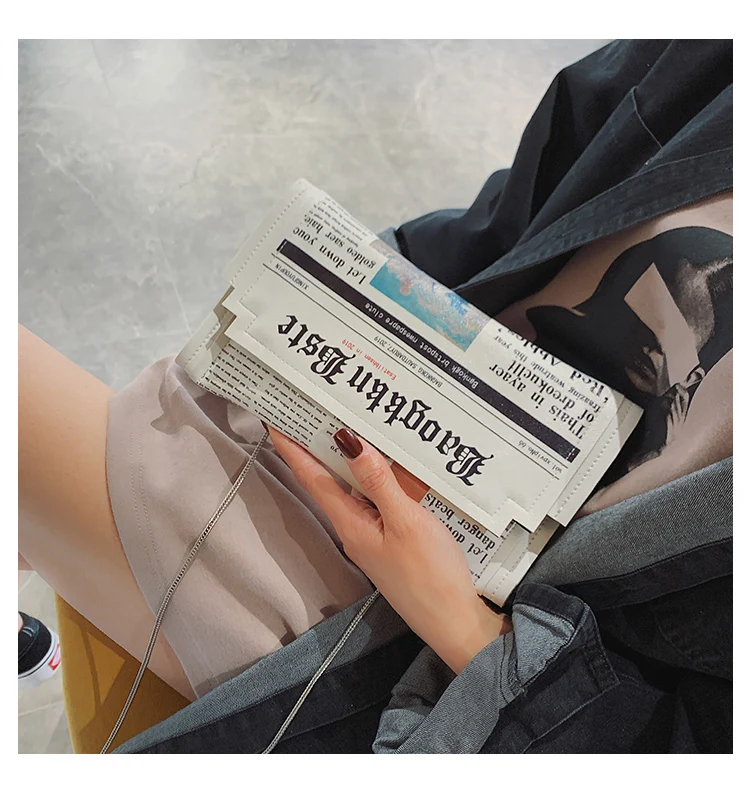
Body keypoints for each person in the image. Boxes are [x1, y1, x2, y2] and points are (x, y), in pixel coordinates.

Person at [19, 39, 732, 753]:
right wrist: (369, 284)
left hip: (419, 650)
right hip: (362, 407)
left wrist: (464, 628)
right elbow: (546, 179)